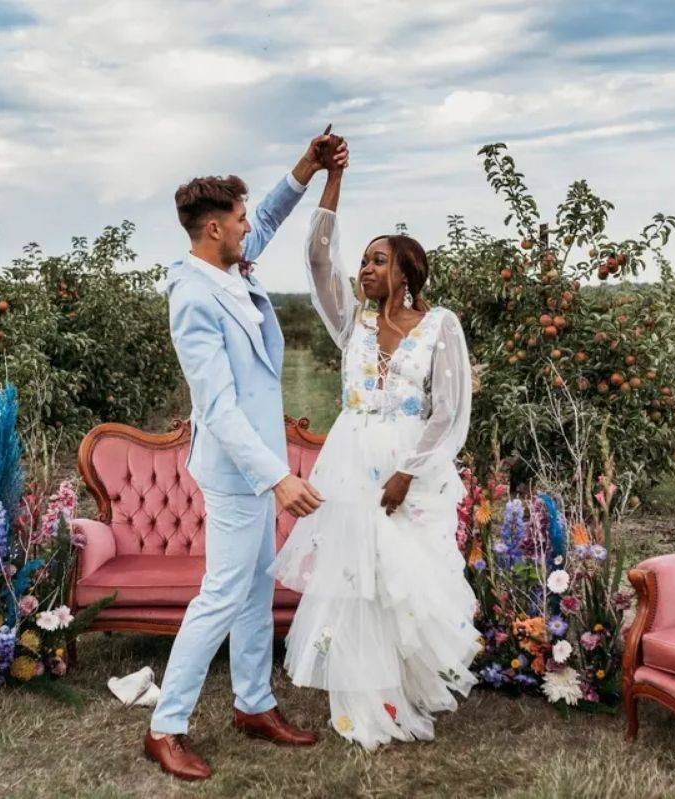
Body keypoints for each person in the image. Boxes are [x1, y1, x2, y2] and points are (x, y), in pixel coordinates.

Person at [145, 131, 349, 781]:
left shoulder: (229, 265)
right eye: (236, 218)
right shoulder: (195, 298)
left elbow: (266, 217)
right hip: (239, 472)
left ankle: (253, 703)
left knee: (256, 586)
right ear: (211, 230)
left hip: (257, 470)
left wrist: (308, 167)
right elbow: (219, 409)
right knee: (222, 593)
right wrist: (277, 477)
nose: (246, 226)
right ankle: (165, 725)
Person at [270, 145, 482, 749]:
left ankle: (406, 692)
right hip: (351, 459)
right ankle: (363, 704)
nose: (363, 270)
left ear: (406, 274)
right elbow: (317, 257)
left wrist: (408, 473)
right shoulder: (352, 324)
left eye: (377, 261)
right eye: (362, 261)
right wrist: (332, 180)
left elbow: (448, 411)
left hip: (410, 468)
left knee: (404, 581)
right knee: (357, 579)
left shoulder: (440, 326)